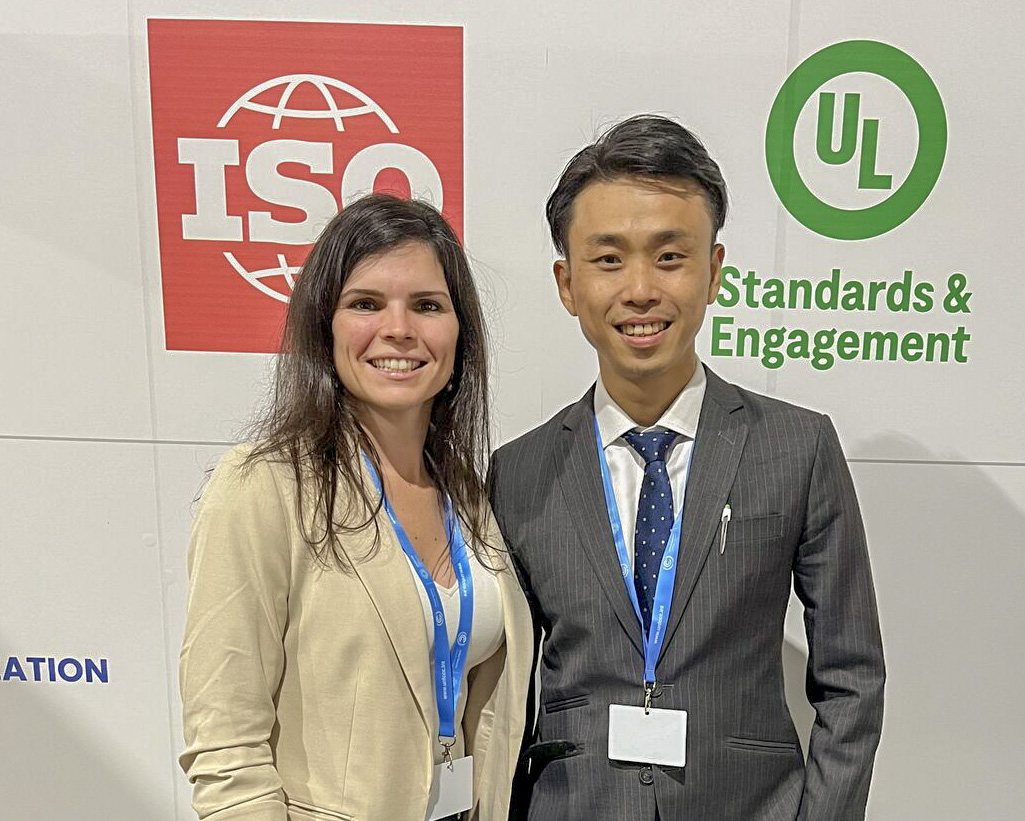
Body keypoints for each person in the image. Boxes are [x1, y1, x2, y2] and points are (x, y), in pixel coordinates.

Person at [489, 116, 885, 821]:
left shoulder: (797, 447)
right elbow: (505, 693)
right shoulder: (517, 473)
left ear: (714, 270)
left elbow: (851, 676)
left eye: (670, 256)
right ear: (567, 282)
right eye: (609, 260)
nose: (641, 289)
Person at [180, 194, 533, 821]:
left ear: (460, 334)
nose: (398, 329)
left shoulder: (470, 495)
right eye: (366, 304)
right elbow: (226, 749)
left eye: (427, 305)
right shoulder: (265, 487)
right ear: (326, 327)